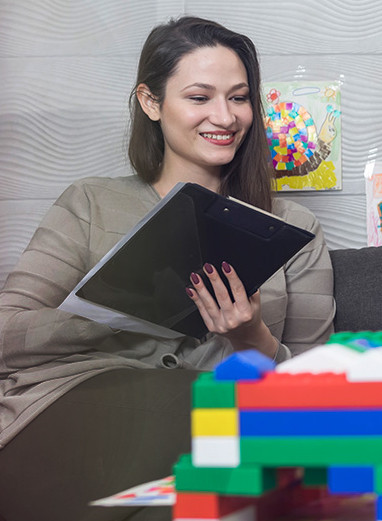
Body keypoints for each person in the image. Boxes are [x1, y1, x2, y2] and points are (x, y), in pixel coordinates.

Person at [0, 17, 336, 520]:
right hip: (81, 408)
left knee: (219, 474)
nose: (224, 116)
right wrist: (115, 307)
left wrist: (253, 339)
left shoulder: (292, 228)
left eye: (239, 97)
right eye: (200, 97)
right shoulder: (90, 202)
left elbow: (321, 387)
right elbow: (7, 336)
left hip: (217, 431)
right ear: (151, 102)